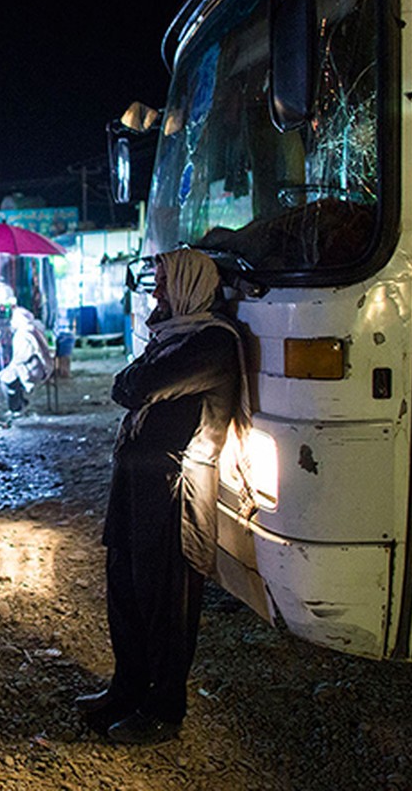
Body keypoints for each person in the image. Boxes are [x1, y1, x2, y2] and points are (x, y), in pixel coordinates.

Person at [76, 248, 250, 745]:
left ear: (190, 287)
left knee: (165, 603)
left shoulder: (212, 342)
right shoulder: (173, 337)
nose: (156, 295)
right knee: (125, 590)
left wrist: (139, 380)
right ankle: (126, 691)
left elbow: (136, 386)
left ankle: (163, 710)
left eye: (164, 285)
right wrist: (138, 380)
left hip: (175, 491)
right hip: (137, 483)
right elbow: (131, 385)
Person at [0, 306, 53, 415]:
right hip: (40, 366)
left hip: (32, 369)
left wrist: (11, 367)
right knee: (10, 374)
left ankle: (16, 407)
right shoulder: (34, 329)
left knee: (4, 378)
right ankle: (20, 402)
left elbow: (22, 357)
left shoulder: (22, 334)